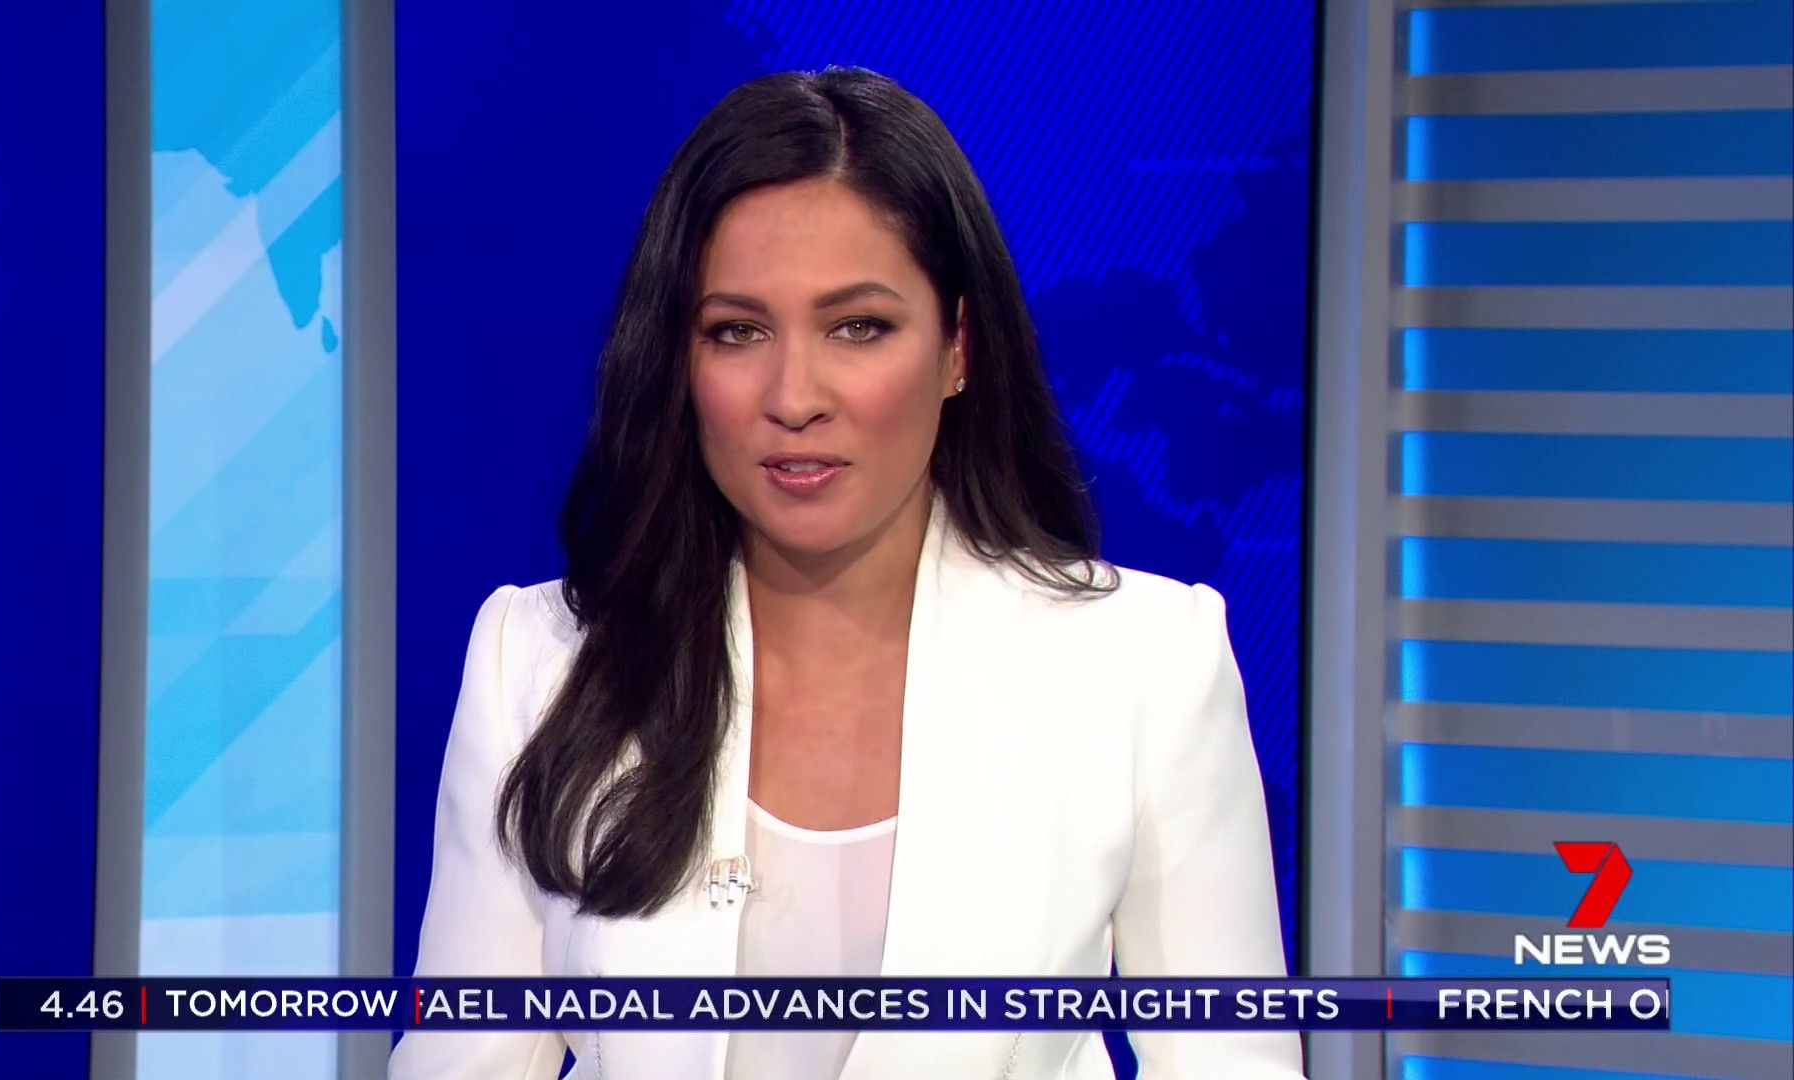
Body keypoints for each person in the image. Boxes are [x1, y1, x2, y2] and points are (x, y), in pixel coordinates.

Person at [391, 66, 1301, 1080]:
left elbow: (1233, 1063)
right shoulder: (541, 663)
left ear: (958, 348)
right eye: (738, 332)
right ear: (679, 361)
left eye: (857, 327)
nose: (794, 396)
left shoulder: (1143, 664)